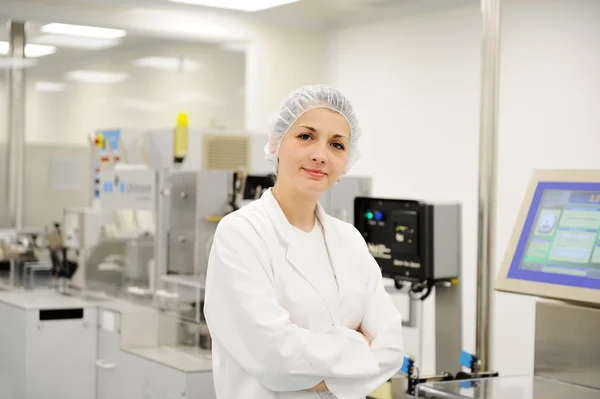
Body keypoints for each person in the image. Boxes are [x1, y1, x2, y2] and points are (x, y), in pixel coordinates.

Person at [203, 84, 404, 399]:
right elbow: (275, 358)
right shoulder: (240, 233)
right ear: (276, 143)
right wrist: (359, 350)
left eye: (337, 145)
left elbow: (391, 349)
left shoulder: (350, 240)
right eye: (306, 136)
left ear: (346, 162)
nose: (320, 155)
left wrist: (315, 364)